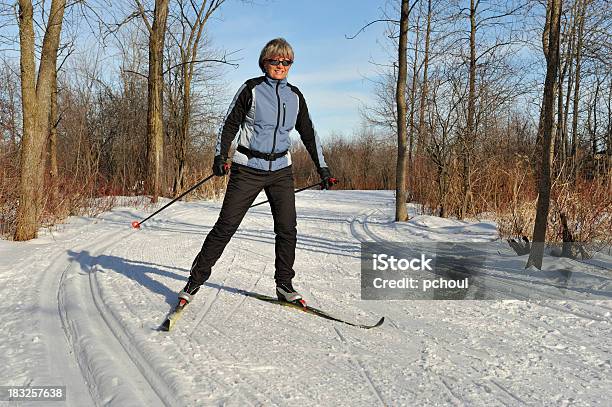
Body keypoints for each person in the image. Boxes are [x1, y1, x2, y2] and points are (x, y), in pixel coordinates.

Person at [178, 38, 334, 305]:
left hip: (281, 170)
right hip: (247, 168)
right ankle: (194, 281)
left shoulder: (295, 96)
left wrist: (322, 167)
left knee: (287, 228)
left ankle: (284, 284)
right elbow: (229, 125)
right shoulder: (251, 89)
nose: (281, 65)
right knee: (226, 226)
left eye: (286, 61)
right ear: (265, 62)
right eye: (275, 60)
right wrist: (220, 156)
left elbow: (308, 133)